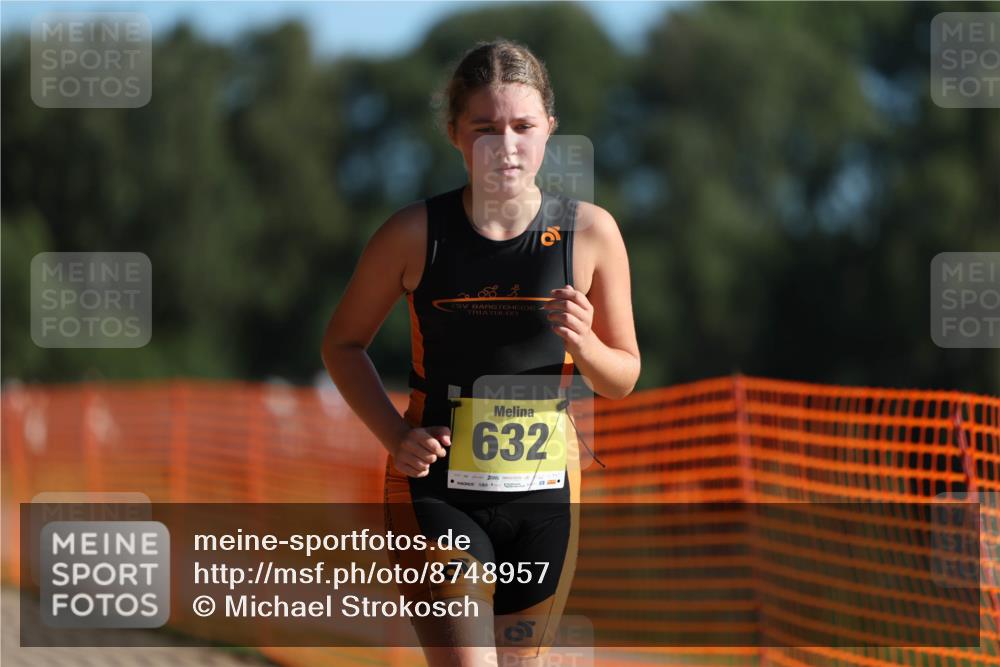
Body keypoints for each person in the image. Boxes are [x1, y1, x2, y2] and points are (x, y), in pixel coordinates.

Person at [321, 38, 639, 667]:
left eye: (523, 125)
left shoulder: (591, 232)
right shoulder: (415, 232)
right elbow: (342, 344)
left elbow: (623, 376)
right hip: (436, 489)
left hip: (547, 494)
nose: (507, 144)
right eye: (485, 127)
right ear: (455, 134)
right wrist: (393, 435)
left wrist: (588, 343)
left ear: (549, 126)